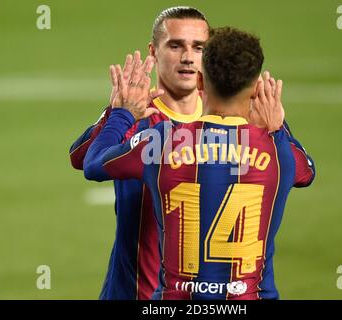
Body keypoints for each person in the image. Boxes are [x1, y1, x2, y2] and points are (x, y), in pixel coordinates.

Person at [83, 27, 315, 300]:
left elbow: (94, 163)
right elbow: (307, 173)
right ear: (255, 88)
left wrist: (122, 114)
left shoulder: (162, 142)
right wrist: (278, 127)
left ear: (200, 82)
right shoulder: (278, 151)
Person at [69, 7, 209, 299]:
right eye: (175, 45)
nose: (187, 57)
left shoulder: (223, 117)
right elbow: (80, 158)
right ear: (153, 51)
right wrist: (117, 113)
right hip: (134, 293)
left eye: (198, 47)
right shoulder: (138, 115)